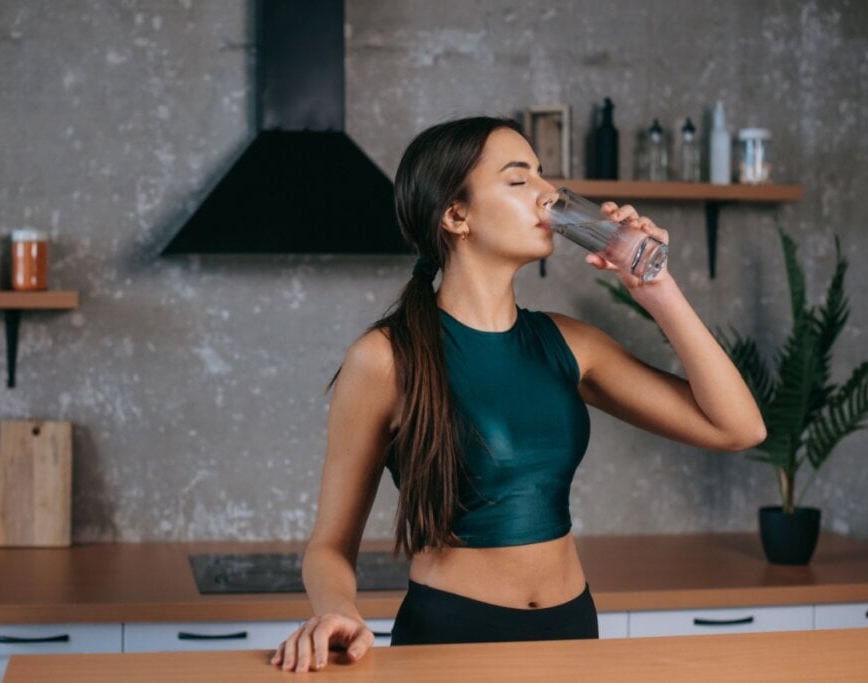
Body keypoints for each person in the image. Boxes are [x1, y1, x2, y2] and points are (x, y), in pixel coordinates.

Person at [270, 116, 766, 672]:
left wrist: (657, 288)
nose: (547, 193)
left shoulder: (569, 342)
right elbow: (329, 547)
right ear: (457, 215)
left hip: (571, 627)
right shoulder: (386, 358)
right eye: (518, 178)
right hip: (453, 636)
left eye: (542, 174)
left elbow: (738, 428)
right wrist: (341, 612)